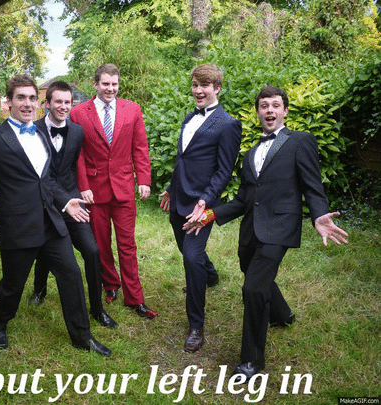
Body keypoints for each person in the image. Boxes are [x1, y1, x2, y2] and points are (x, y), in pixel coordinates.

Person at [185, 85, 348, 380]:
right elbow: (243, 200)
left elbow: (312, 185)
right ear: (258, 112)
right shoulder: (250, 154)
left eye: (275, 105)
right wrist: (208, 215)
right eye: (264, 106)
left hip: (280, 227)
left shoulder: (300, 141)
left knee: (253, 289)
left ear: (285, 110)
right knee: (250, 270)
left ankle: (252, 361)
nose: (269, 110)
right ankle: (282, 315)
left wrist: (319, 215)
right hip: (251, 230)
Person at [0, 74, 111, 356]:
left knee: (71, 274)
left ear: (38, 102)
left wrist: (66, 202)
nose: (27, 104)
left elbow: (46, 180)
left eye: (31, 98)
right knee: (13, 285)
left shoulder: (40, 134)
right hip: (19, 226)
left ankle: (82, 336)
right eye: (20, 98)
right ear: (9, 101)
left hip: (52, 222)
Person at [159, 63, 242, 353]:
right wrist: (171, 188)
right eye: (195, 85)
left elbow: (224, 171)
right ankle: (211, 275)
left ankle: (196, 325)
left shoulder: (228, 124)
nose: (198, 90)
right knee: (186, 249)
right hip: (178, 198)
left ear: (216, 88)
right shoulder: (188, 117)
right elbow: (183, 159)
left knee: (191, 259)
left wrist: (206, 200)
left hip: (202, 205)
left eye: (204, 86)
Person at [27, 81, 118, 329]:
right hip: (44, 202)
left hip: (73, 201)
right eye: (58, 101)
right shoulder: (32, 131)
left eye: (68, 102)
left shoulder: (77, 132)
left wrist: (81, 191)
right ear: (47, 103)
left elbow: (75, 166)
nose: (63, 106)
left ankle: (97, 309)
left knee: (93, 251)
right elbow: (40, 175)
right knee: (45, 251)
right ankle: (39, 290)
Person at [69, 63, 157, 319]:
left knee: (127, 244)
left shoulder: (132, 109)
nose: (110, 89)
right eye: (105, 84)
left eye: (114, 84)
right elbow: (78, 154)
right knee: (101, 243)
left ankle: (135, 298)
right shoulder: (78, 113)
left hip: (124, 188)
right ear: (96, 84)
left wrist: (144, 179)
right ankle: (110, 283)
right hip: (94, 191)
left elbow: (140, 146)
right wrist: (83, 186)